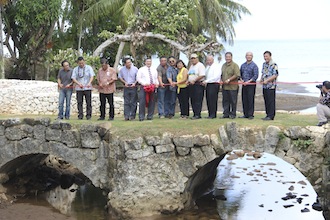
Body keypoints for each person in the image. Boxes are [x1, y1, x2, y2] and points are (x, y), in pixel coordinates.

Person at [239, 52, 259, 119]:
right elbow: (240, 74)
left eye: (250, 55)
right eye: (247, 55)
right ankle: (245, 114)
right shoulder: (243, 65)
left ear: (252, 57)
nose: (248, 57)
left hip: (251, 85)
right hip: (244, 84)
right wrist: (242, 80)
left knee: (250, 99)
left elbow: (255, 76)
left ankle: (250, 114)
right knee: (244, 99)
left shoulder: (254, 65)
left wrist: (248, 81)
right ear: (245, 56)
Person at [220, 52, 240, 119]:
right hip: (225, 87)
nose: (227, 58)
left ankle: (233, 114)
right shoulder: (223, 65)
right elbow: (221, 74)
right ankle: (226, 114)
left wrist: (229, 80)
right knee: (225, 101)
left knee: (233, 101)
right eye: (226, 57)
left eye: (229, 57)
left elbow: (237, 75)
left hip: (233, 87)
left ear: (231, 57)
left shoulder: (235, 65)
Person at [260, 51, 279, 120]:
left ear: (270, 56)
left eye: (267, 56)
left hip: (271, 86)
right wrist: (261, 79)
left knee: (271, 101)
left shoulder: (274, 64)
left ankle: (271, 116)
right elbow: (263, 73)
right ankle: (267, 114)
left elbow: (275, 75)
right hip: (264, 86)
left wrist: (267, 80)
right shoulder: (264, 64)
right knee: (266, 100)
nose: (265, 58)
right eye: (264, 56)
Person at [188, 53, 206, 119]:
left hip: (198, 85)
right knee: (193, 100)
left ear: (197, 58)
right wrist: (188, 80)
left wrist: (194, 80)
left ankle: (198, 114)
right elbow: (189, 75)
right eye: (191, 58)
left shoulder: (200, 65)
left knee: (198, 100)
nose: (193, 60)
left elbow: (202, 75)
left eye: (194, 58)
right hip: (191, 85)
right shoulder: (191, 66)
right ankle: (195, 113)